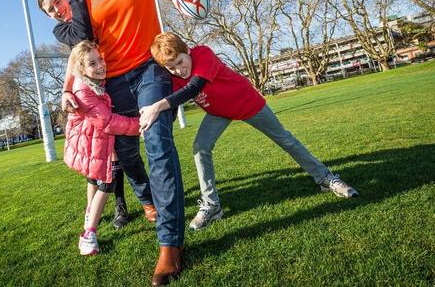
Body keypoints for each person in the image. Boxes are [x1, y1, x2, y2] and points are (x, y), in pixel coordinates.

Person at [61, 0, 219, 285]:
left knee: (158, 143)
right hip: (112, 85)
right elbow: (80, 51)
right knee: (126, 157)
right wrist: (69, 87)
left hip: (150, 72)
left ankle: (170, 244)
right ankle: (149, 202)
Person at [140, 32, 360, 232]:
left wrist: (156, 106)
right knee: (200, 148)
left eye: (179, 62)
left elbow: (194, 88)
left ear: (187, 51)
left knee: (286, 140)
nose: (178, 70)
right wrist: (150, 125)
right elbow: (175, 104)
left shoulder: (202, 53)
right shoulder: (175, 77)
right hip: (218, 112)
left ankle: (326, 178)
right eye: (171, 68)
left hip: (246, 102)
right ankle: (212, 205)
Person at [37, 0, 156, 230]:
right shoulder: (64, 27)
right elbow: (80, 40)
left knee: (120, 153)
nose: (56, 10)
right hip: (97, 91)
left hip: (125, 73)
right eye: (49, 9)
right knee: (110, 154)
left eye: (58, 1)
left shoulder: (90, 3)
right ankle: (121, 204)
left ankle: (138, 200)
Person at [63, 40, 141, 255]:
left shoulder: (92, 83)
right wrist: (139, 125)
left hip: (94, 141)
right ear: (81, 69)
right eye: (92, 63)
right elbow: (108, 122)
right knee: (107, 183)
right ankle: (89, 234)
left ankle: (90, 212)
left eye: (100, 59)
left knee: (93, 178)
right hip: (93, 142)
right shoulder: (83, 91)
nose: (100, 65)